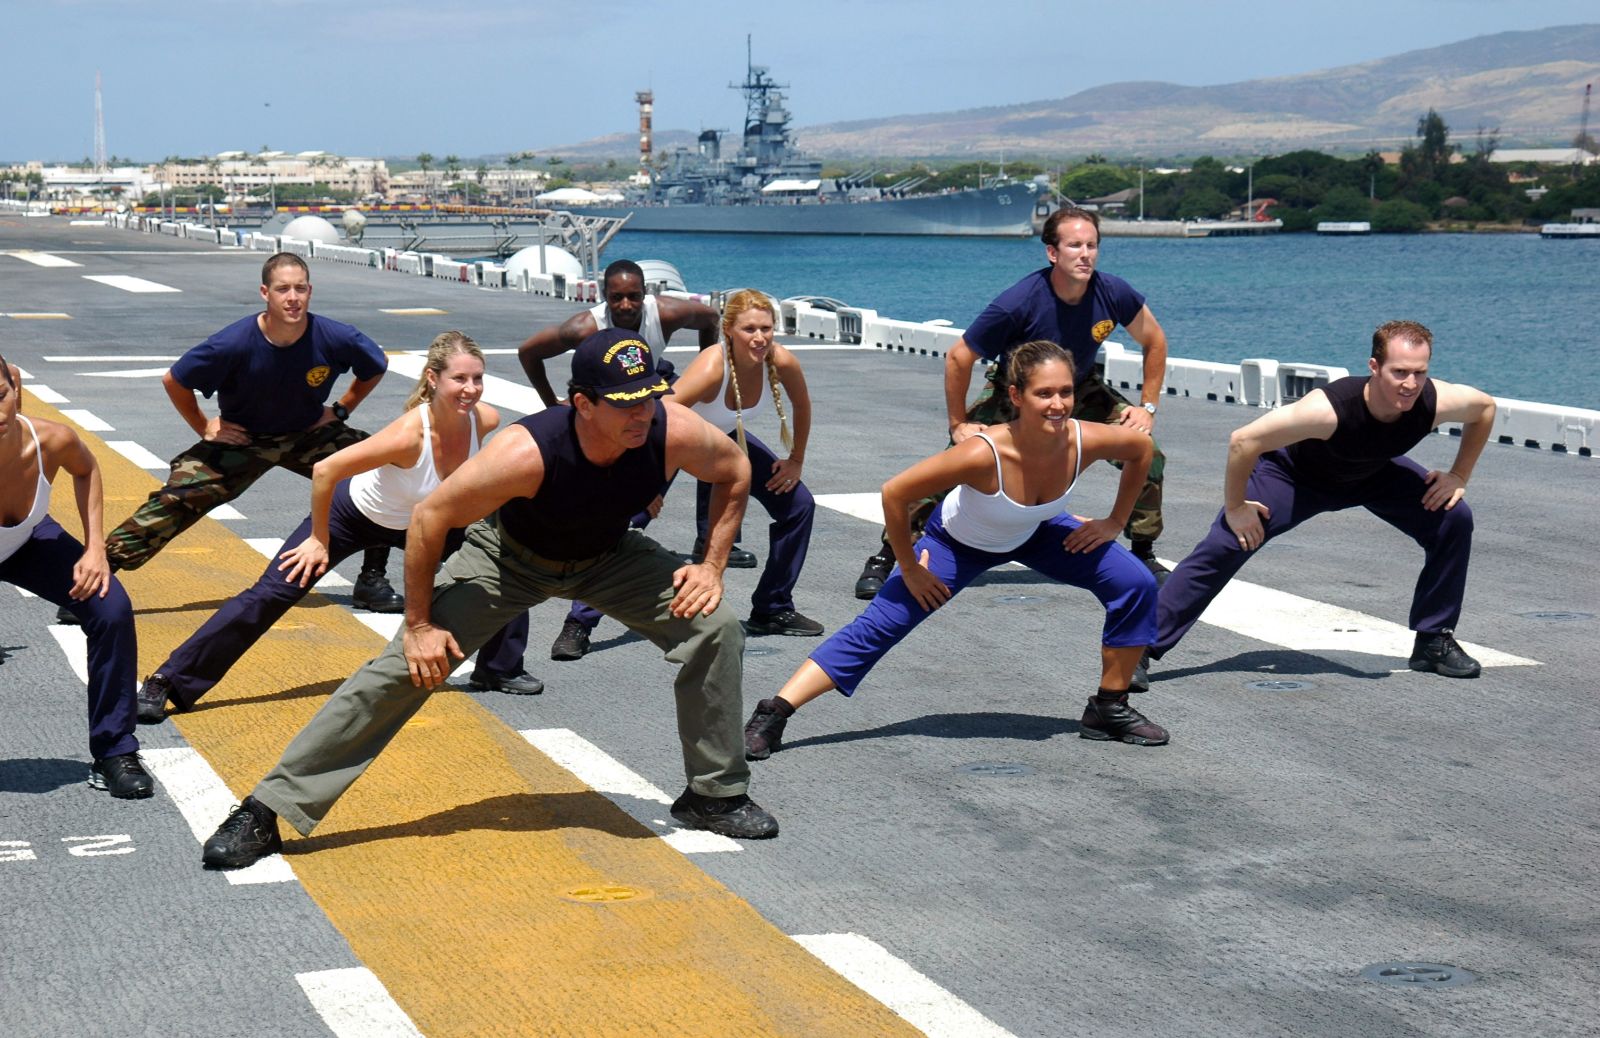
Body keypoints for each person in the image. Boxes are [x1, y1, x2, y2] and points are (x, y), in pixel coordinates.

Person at [199, 327, 777, 870]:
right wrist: (419, 623)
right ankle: (267, 809)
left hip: (608, 557)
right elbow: (430, 517)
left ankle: (713, 796)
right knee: (404, 668)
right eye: (625, 403)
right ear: (582, 404)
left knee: (715, 627)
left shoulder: (668, 428)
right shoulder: (525, 452)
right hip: (508, 561)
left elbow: (734, 470)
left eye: (648, 398)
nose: (641, 414)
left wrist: (711, 565)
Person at [744, 341, 1170, 761]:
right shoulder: (984, 454)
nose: (1058, 404)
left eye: (1065, 392)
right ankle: (773, 713)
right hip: (957, 545)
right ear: (1016, 396)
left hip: (1035, 530)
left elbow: (1142, 450)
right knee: (879, 627)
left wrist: (1115, 521)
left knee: (1134, 582)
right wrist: (909, 567)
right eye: (1044, 393)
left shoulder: (1085, 439)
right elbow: (895, 493)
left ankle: (1108, 708)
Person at [134, 332, 539, 723]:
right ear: (433, 379)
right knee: (271, 593)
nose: (471, 389)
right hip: (353, 515)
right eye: (459, 379)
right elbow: (327, 470)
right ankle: (169, 682)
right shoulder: (408, 435)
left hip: (422, 521)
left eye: (477, 378)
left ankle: (499, 668)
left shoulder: (483, 419)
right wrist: (318, 538)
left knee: (501, 567)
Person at [853, 207, 1171, 599]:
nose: (1085, 254)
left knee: (1149, 452)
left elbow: (1154, 340)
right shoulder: (1020, 302)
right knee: (954, 465)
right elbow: (959, 356)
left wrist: (1147, 407)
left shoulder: (1113, 292)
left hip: (1079, 386)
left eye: (1092, 245)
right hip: (1015, 389)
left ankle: (1144, 551)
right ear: (1052, 253)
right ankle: (887, 555)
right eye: (1075, 246)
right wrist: (958, 424)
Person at [1148, 320, 1496, 678]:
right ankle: (1138, 646)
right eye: (1400, 372)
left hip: (1372, 473)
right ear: (1374, 367)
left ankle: (1433, 641)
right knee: (1228, 542)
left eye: (1419, 373)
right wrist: (1236, 508)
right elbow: (1243, 440)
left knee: (1452, 517)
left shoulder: (1432, 401)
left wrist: (1459, 475)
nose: (1410, 384)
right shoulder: (1328, 409)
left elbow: (1484, 409)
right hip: (1295, 477)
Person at [99, 252, 404, 614]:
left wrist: (341, 410)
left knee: (378, 471)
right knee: (178, 497)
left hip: (307, 433)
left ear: (310, 292)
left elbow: (375, 365)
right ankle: (97, 574)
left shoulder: (334, 336)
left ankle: (372, 579)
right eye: (283, 289)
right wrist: (206, 426)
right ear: (265, 293)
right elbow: (175, 380)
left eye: (300, 289)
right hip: (245, 439)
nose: (293, 297)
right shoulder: (234, 343)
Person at [518, 259, 754, 663]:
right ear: (603, 297)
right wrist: (551, 404)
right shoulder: (583, 329)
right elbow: (529, 353)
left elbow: (710, 318)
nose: (626, 305)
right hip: (608, 420)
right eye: (616, 298)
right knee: (625, 515)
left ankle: (710, 546)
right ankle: (579, 621)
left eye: (633, 296)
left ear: (645, 295)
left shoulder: (666, 313)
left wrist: (705, 374)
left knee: (719, 465)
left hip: (651, 400)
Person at [0, 356, 153, 798]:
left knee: (111, 608)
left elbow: (86, 469)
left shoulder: (50, 440)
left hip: (29, 540)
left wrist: (94, 549)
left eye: (0, 397)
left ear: (16, 390)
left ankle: (114, 750)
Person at [669, 289, 822, 636]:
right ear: (728, 331)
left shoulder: (780, 361)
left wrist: (796, 459)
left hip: (722, 439)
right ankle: (580, 621)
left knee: (798, 506)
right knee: (633, 518)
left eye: (766, 328)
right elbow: (661, 416)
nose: (759, 337)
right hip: (674, 441)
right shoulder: (712, 365)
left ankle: (772, 607)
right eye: (749, 329)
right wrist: (651, 480)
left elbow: (803, 405)